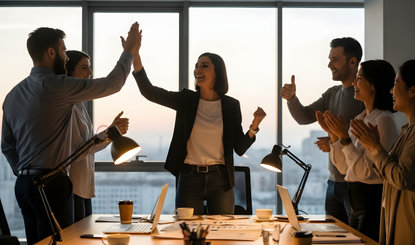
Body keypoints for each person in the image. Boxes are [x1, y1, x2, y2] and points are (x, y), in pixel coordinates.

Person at [1, 23, 141, 244]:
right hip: (51, 184)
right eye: (64, 51)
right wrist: (129, 51)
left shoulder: (12, 95)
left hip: (25, 186)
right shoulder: (58, 86)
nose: (66, 57)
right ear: (51, 52)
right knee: (62, 243)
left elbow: (7, 146)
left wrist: (24, 172)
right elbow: (112, 84)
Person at [132, 49, 266, 215]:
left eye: (204, 66)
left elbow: (239, 148)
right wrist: (135, 55)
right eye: (196, 66)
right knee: (189, 233)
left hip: (220, 180)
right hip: (189, 179)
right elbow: (149, 92)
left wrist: (255, 124)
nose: (197, 70)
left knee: (221, 234)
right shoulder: (186, 99)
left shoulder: (231, 105)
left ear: (217, 72)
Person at [350, 59, 415, 244]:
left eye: (396, 84)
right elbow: (386, 171)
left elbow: (402, 178)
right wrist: (373, 147)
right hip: (403, 224)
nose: (391, 91)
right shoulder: (409, 128)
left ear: (413, 91)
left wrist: (376, 148)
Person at [281, 37, 365, 224]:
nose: (329, 65)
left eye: (335, 59)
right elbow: (303, 117)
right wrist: (292, 98)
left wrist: (336, 142)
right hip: (333, 181)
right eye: (329, 59)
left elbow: (368, 135)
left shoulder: (364, 95)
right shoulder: (332, 93)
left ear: (353, 62)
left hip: (355, 183)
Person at [316, 60, 399, 241]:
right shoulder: (360, 118)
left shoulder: (384, 121)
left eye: (359, 78)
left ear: (373, 86)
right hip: (356, 199)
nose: (354, 83)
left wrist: (344, 139)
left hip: (372, 201)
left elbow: (364, 171)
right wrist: (334, 136)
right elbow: (345, 168)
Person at [65, 50, 130, 222]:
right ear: (69, 73)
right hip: (73, 187)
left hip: (83, 187)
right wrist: (110, 132)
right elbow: (78, 150)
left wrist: (111, 131)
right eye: (84, 68)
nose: (90, 73)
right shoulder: (68, 107)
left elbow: (88, 146)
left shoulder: (79, 105)